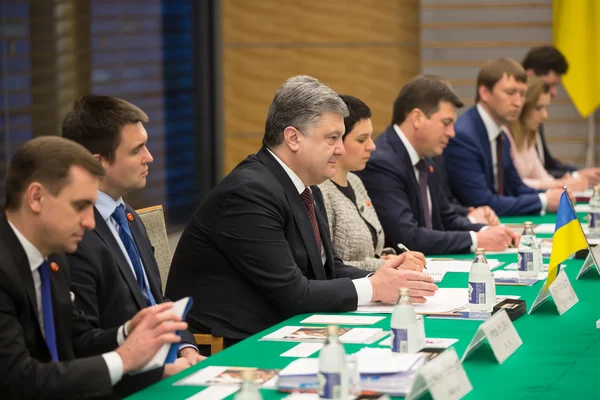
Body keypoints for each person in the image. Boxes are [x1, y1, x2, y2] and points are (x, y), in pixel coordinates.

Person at [165, 75, 437, 345]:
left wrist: (384, 276)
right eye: (332, 138)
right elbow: (293, 293)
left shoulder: (304, 186)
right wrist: (374, 287)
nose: (341, 150)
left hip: (280, 327)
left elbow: (325, 271)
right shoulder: (248, 192)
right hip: (231, 344)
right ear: (293, 138)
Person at [0, 136, 187, 399]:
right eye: (80, 206)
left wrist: (126, 333)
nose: (90, 222)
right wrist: (123, 359)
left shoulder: (52, 259)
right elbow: (17, 377)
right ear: (36, 197)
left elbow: (77, 340)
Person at [62, 94, 204, 372]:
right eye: (136, 150)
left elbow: (156, 301)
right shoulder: (75, 235)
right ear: (98, 162)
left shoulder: (128, 216)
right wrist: (159, 372)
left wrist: (186, 348)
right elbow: (82, 343)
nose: (148, 157)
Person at [357, 76, 518, 255]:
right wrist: (476, 240)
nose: (452, 133)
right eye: (446, 123)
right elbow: (407, 238)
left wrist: (487, 231)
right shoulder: (382, 163)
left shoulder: (427, 156)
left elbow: (445, 216)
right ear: (417, 118)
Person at [444, 58, 564, 216]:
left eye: (522, 94)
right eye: (510, 92)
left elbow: (515, 186)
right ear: (485, 93)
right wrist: (543, 201)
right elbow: (481, 201)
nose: (518, 102)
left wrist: (551, 193)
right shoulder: (464, 137)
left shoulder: (501, 136)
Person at [319, 94, 424, 271]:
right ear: (335, 140)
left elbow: (369, 251)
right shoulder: (319, 191)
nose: (372, 146)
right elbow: (328, 266)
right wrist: (386, 264)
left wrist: (393, 258)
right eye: (361, 139)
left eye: (370, 137)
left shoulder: (355, 181)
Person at [522, 46, 600, 182]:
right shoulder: (513, 123)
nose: (554, 92)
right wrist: (576, 177)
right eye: (549, 85)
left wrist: (580, 173)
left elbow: (545, 164)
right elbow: (523, 180)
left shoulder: (535, 116)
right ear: (530, 76)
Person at [505, 77, 588, 191]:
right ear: (522, 107)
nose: (545, 115)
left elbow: (542, 176)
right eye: (539, 108)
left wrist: (565, 182)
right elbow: (512, 184)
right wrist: (559, 184)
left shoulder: (526, 137)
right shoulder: (504, 137)